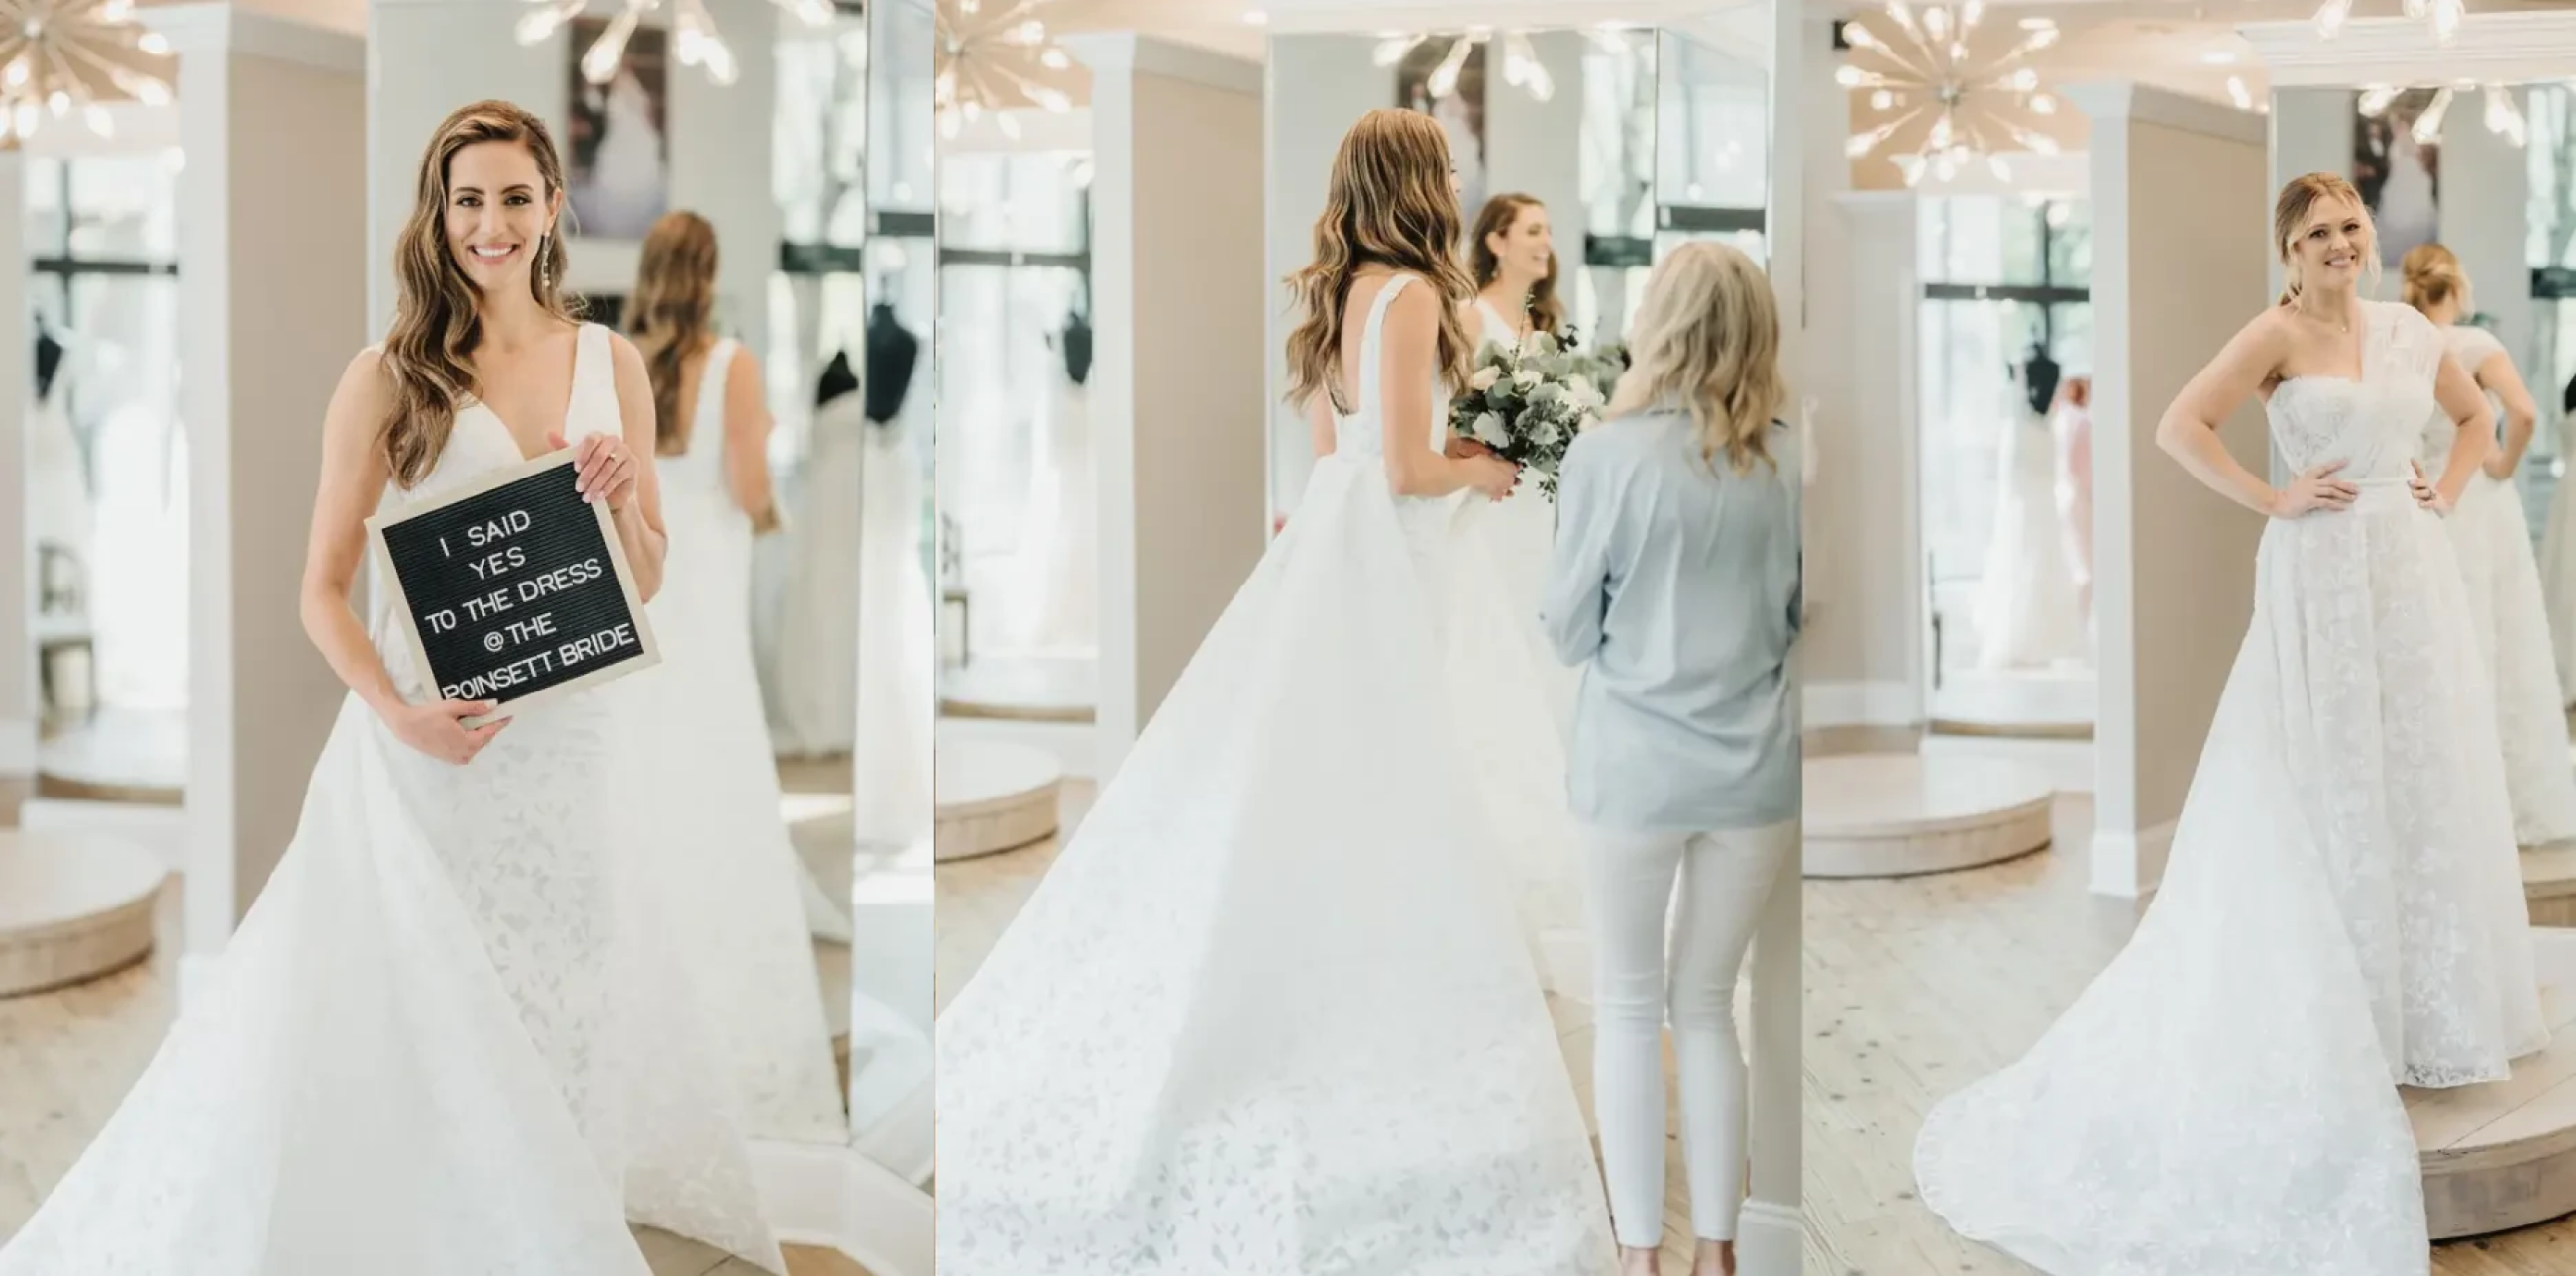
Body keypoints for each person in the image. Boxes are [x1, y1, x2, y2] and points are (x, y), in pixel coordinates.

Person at [0, 101, 784, 1276]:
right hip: (427, 755)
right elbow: (320, 590)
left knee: (567, 1000)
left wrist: (620, 496)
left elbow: (652, 573)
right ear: (438, 213)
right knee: (423, 1011)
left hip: (574, 751)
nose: (491, 222)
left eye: (515, 197)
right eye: (468, 198)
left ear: (552, 208)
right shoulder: (386, 375)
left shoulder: (608, 362)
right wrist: (399, 715)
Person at [933, 108, 1614, 1276]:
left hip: (1341, 555)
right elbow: (1404, 469)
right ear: (1411, 181)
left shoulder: (1340, 297)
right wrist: (1488, 468)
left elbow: (1333, 461)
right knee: (1387, 776)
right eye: (1444, 168)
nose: (1455, 181)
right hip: (1382, 561)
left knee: (1330, 784)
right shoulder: (1407, 297)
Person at [1914, 172, 2541, 1274]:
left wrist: (2440, 489)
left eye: (2352, 227)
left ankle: (2424, 1015)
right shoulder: (2270, 333)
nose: (2343, 243)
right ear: (2287, 251)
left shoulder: (2403, 329)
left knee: (2420, 773)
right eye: (2320, 234)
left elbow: (2478, 418)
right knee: (2326, 777)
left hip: (2408, 576)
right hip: (2315, 579)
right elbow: (2173, 426)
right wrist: (2273, 498)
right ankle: (2342, 1014)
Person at [1539, 241, 1802, 1276]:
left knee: (1626, 1003)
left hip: (1631, 775)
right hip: (1754, 778)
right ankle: (1721, 1253)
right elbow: (1790, 620)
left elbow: (1563, 631)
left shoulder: (1605, 457)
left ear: (1658, 326)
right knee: (1705, 1005)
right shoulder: (1786, 461)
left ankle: (1641, 1256)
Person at [620, 208, 850, 1142]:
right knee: (714, 738)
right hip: (708, 562)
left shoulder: (623, 358)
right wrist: (771, 494)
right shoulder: (734, 365)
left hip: (646, 571)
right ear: (709, 274)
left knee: (647, 742)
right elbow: (750, 489)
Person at [2399, 243, 2576, 848]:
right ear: (2459, 288)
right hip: (2474, 498)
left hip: (2418, 500)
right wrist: (2499, 464)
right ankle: (2495, 796)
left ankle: (2439, 794)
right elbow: (2523, 413)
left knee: (2435, 639)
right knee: (2492, 635)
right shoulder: (2474, 346)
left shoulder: (2401, 348)